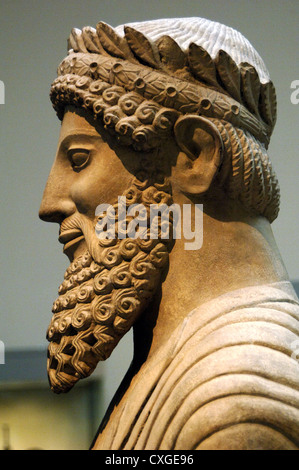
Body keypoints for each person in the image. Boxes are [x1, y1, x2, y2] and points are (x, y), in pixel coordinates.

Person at [39, 17, 299, 450]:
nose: (49, 203)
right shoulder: (185, 366)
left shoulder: (237, 404)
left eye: (79, 159)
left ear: (195, 156)